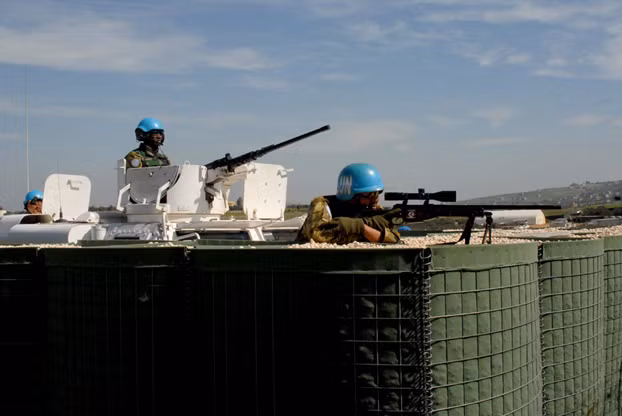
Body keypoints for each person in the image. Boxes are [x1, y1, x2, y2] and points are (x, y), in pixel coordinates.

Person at [296, 163, 400, 244]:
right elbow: (316, 236)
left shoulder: (373, 210)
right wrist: (359, 227)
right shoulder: (322, 204)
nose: (375, 199)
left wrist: (365, 227)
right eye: (369, 194)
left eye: (377, 193)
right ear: (352, 194)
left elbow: (393, 238)